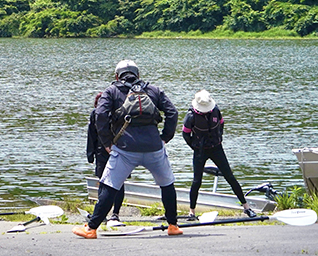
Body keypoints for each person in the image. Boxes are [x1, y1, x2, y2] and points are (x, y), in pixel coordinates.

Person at [73, 60, 182, 239]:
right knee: (167, 184)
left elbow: (99, 115)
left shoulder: (111, 91)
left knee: (109, 185)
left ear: (117, 76)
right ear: (138, 75)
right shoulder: (154, 90)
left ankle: (91, 229)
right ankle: (173, 225)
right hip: (154, 148)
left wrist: (107, 143)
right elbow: (173, 113)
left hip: (125, 149)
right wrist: (164, 138)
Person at [182, 89, 257, 219]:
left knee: (230, 177)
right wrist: (194, 147)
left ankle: (246, 207)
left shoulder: (216, 110)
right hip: (200, 150)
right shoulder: (191, 116)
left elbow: (221, 124)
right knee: (196, 181)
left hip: (216, 148)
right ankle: (192, 212)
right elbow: (185, 134)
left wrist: (219, 138)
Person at [86, 92, 125, 224]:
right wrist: (90, 153)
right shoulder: (94, 114)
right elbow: (91, 134)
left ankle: (115, 213)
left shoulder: (118, 113)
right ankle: (102, 214)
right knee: (103, 182)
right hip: (101, 152)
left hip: (117, 149)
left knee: (118, 183)